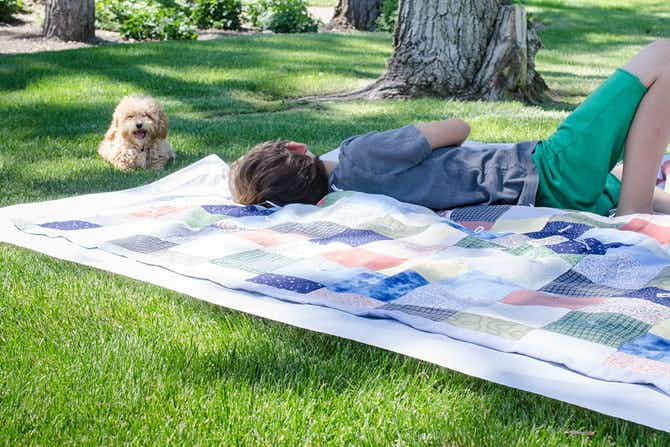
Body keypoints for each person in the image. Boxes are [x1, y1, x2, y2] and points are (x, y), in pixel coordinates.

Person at [229, 40, 670, 217]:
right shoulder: (357, 156)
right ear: (297, 146)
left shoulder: (343, 204)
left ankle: (638, 203)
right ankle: (635, 218)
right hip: (546, 171)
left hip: (543, 198)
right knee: (662, 56)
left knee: (639, 188)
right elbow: (457, 127)